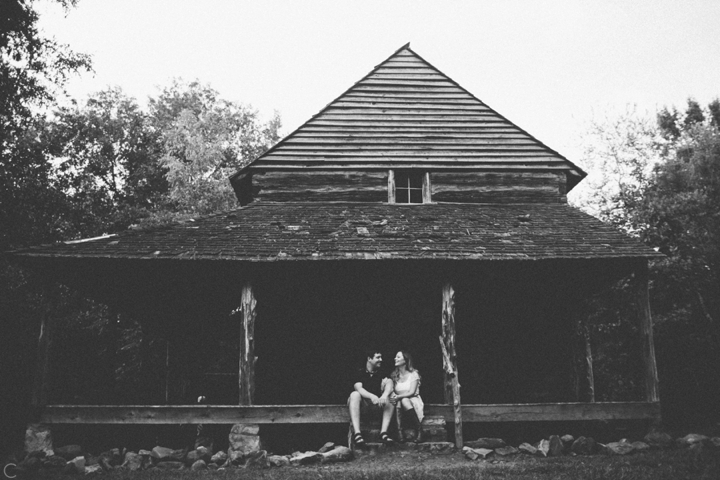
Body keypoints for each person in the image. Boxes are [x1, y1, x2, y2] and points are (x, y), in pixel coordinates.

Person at [348, 349, 395, 446]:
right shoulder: (359, 372)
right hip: (362, 406)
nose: (381, 360)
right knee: (354, 394)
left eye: (381, 357)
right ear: (369, 359)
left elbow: (390, 383)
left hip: (377, 406)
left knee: (391, 396)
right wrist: (371, 396)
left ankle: (383, 433)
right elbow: (358, 388)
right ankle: (357, 434)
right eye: (378, 357)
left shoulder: (382, 371)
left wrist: (384, 395)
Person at [389, 350, 424, 443]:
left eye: (398, 357)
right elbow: (392, 391)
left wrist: (398, 396)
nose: (395, 358)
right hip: (399, 404)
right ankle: (399, 432)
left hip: (412, 401)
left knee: (404, 400)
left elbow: (412, 392)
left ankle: (419, 429)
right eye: (395, 357)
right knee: (400, 401)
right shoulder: (394, 375)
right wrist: (394, 397)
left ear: (405, 360)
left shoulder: (413, 374)